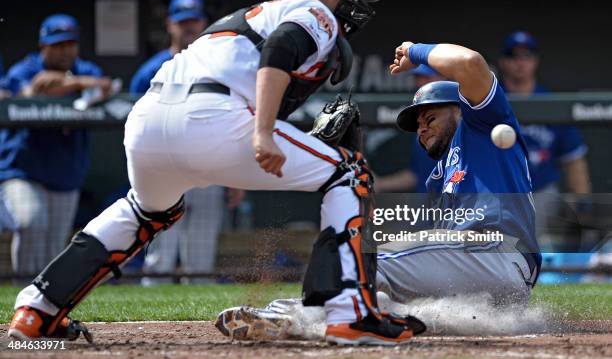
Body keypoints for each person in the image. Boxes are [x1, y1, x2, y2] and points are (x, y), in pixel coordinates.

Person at [8, 0, 419, 346]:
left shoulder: (242, 19)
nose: (346, 0)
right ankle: (350, 312)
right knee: (349, 173)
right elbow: (280, 50)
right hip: (212, 117)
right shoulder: (314, 10)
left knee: (145, 211)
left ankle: (38, 309)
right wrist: (263, 133)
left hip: (149, 120)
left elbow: (264, 67)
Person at [214, 40, 541, 341]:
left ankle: (284, 314)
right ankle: (336, 321)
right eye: (418, 126)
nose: (422, 128)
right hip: (489, 282)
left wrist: (415, 51)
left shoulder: (482, 123)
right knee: (378, 293)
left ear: (461, 108)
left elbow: (469, 62)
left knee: (360, 258)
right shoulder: (441, 175)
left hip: (493, 252)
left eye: (430, 117)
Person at [129, 0, 244, 282]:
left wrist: (234, 175)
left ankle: (197, 326)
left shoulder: (219, 66)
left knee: (201, 259)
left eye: (194, 21)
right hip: (163, 167)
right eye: (183, 22)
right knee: (160, 254)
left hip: (207, 165)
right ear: (170, 25)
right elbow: (134, 123)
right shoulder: (150, 70)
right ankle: (151, 316)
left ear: (205, 23)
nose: (189, 28)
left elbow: (231, 118)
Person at [0, 14, 114, 277]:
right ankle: (25, 293)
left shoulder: (86, 70)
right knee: (31, 222)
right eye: (57, 45)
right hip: (23, 170)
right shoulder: (24, 69)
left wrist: (70, 82)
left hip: (65, 173)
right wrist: (68, 87)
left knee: (54, 246)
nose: (65, 51)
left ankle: (45, 307)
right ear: (44, 46)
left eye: (69, 44)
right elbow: (29, 91)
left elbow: (104, 86)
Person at [498, 31, 591, 250]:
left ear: (535, 61)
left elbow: (573, 160)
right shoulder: (490, 101)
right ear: (503, 61)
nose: (520, 63)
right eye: (513, 56)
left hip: (540, 190)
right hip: (498, 190)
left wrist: (582, 202)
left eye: (526, 56)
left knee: (533, 239)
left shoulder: (550, 103)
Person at [374, 65, 442, 193]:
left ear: (445, 77)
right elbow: (417, 175)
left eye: (427, 78)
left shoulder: (462, 118)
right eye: (418, 77)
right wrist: (380, 184)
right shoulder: (422, 124)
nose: (421, 83)